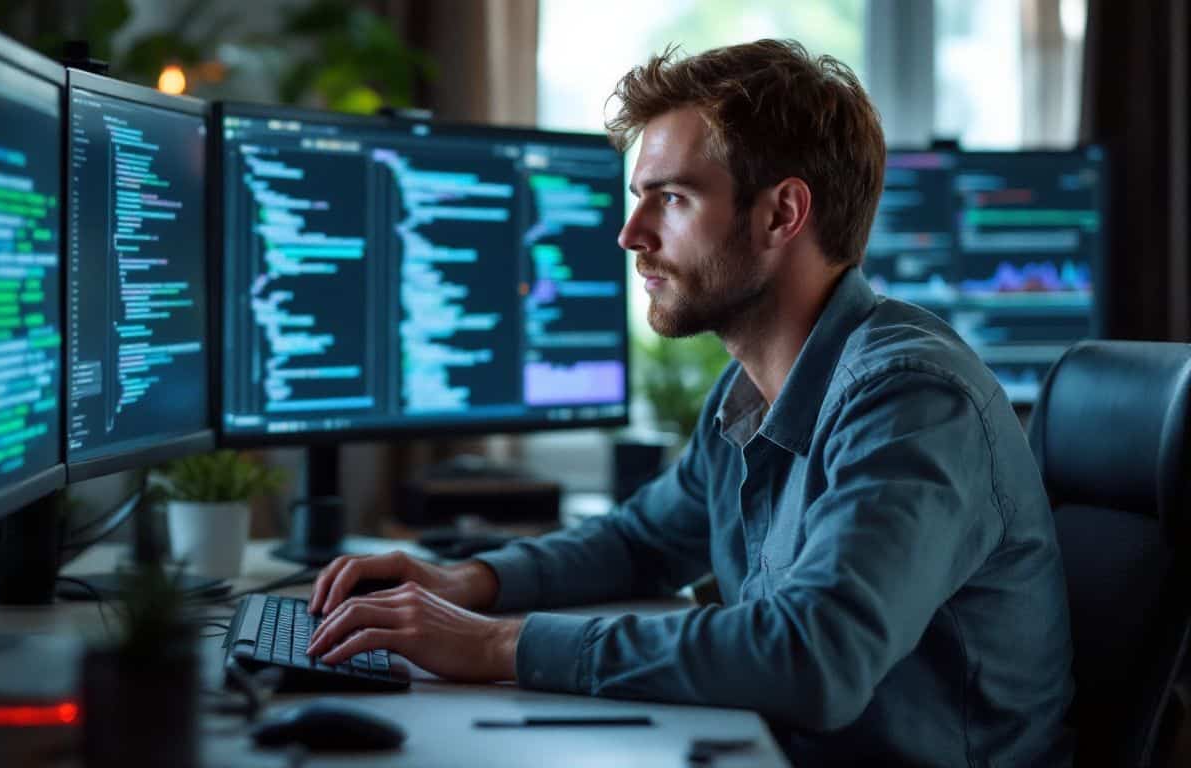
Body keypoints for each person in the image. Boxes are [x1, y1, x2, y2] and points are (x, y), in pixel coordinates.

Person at [305, 40, 1073, 766]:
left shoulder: (910, 399)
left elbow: (814, 658)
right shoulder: (750, 390)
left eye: (670, 198)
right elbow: (641, 541)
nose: (629, 234)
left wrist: (494, 644)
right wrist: (464, 583)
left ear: (781, 214)